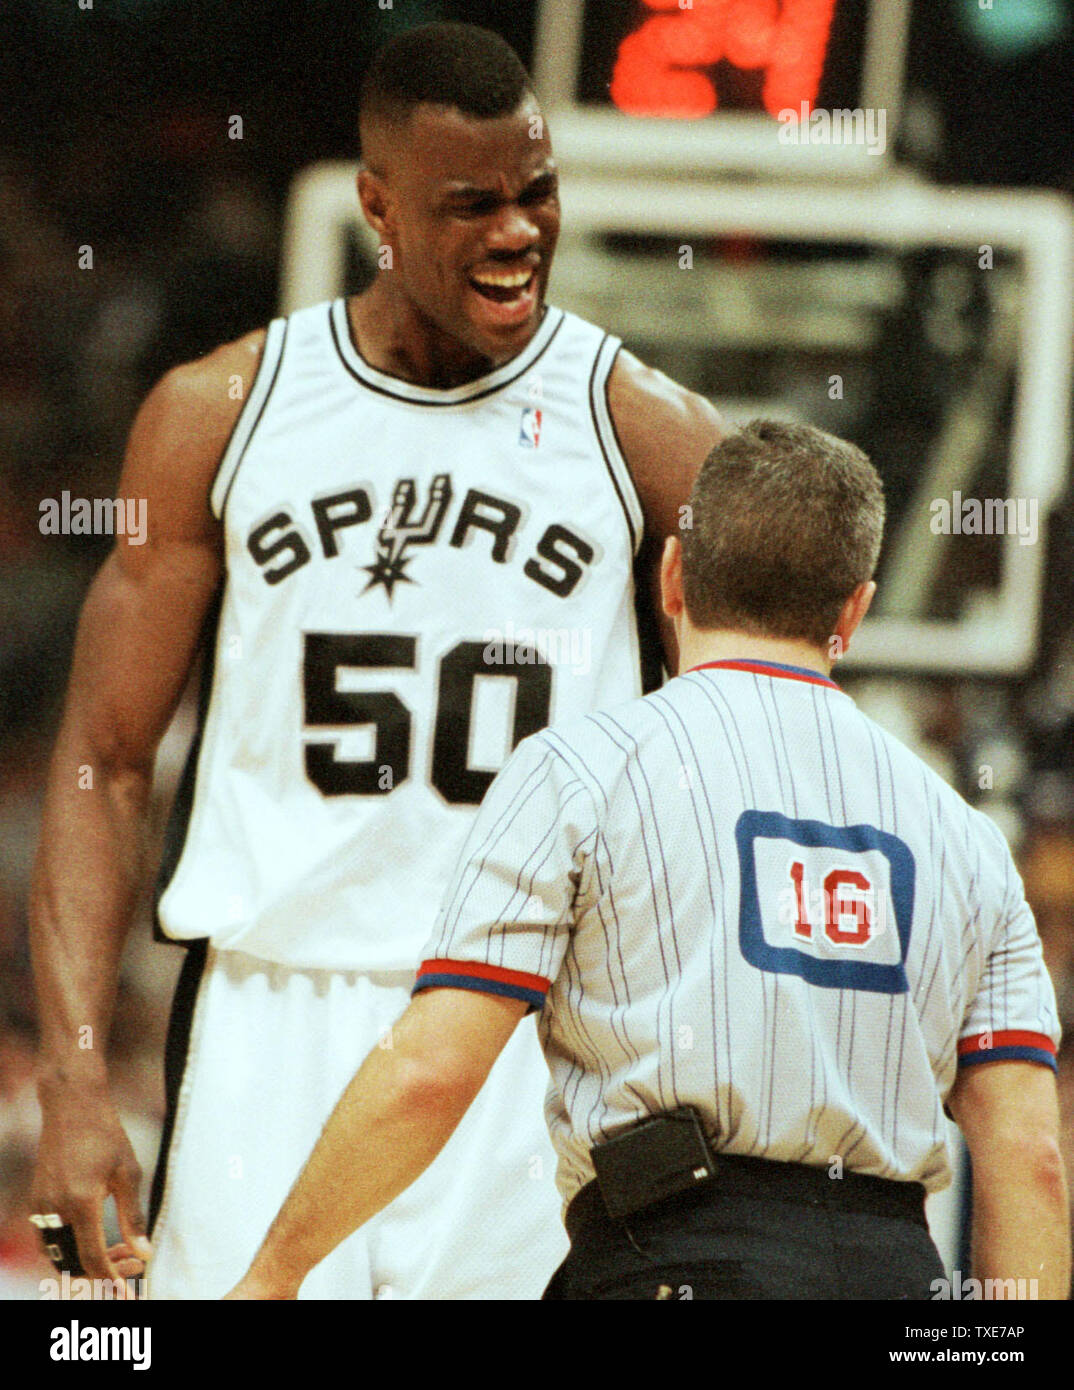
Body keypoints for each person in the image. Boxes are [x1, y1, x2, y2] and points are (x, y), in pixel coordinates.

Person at [27, 23, 722, 1300]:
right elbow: (104, 764)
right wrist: (72, 1069)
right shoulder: (218, 415)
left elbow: (767, 747)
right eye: (474, 204)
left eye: (538, 193)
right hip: (267, 1015)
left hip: (531, 1023)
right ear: (377, 206)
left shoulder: (649, 434)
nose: (519, 231)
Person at [226, 420, 1070, 1302]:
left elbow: (429, 1073)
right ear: (853, 611)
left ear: (672, 576)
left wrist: (271, 1276)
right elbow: (1030, 1158)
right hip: (898, 1280)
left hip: (672, 1259)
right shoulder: (964, 834)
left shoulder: (580, 772)